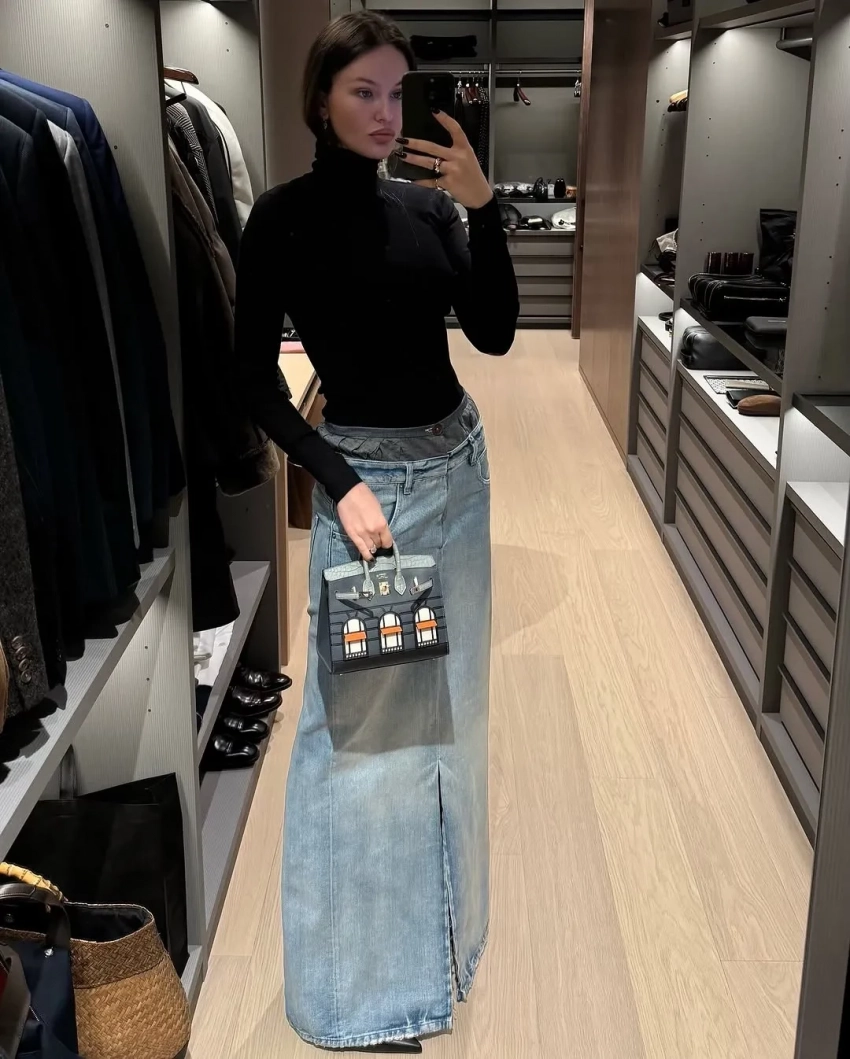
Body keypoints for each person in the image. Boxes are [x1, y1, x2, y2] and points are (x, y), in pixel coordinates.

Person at [235, 10, 518, 1053]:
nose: (386, 113)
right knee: (357, 741)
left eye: (397, 94)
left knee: (454, 716)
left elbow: (492, 332)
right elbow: (249, 381)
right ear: (321, 99)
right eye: (364, 92)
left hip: (460, 478)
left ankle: (443, 949)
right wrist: (335, 477)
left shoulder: (430, 210)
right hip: (373, 509)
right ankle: (357, 992)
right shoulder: (281, 221)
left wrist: (484, 209)